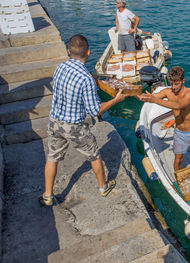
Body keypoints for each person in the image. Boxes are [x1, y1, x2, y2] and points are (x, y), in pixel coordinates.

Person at [38, 34, 128, 206]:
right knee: (94, 155)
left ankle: (48, 195)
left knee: (52, 157)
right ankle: (103, 187)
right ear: (88, 52)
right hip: (74, 127)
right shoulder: (86, 79)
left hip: (55, 120)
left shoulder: (60, 67)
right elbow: (95, 110)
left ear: (68, 51)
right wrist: (116, 100)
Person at [138, 66, 190, 171]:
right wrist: (130, 93)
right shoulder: (167, 91)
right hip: (179, 133)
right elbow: (150, 97)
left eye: (176, 83)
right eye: (171, 83)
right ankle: (178, 180)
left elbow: (179, 105)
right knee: (178, 160)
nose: (173, 87)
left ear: (183, 81)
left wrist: (154, 100)